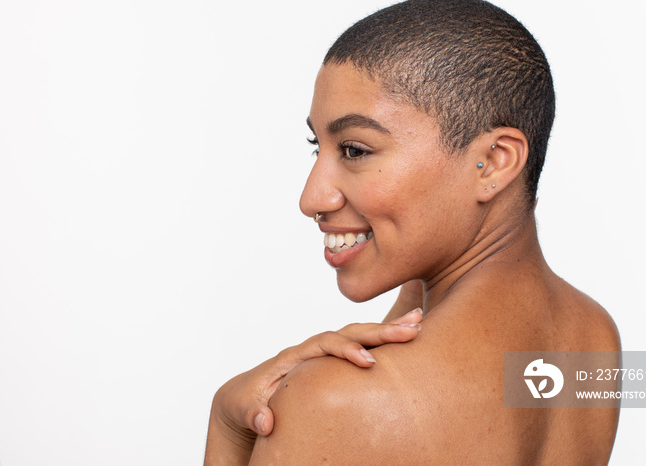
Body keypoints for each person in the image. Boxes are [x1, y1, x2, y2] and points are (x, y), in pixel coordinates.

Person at [205, 0, 621, 464]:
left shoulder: (331, 402)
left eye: (355, 150)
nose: (312, 199)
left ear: (495, 162)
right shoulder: (594, 337)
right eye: (315, 146)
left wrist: (224, 424)